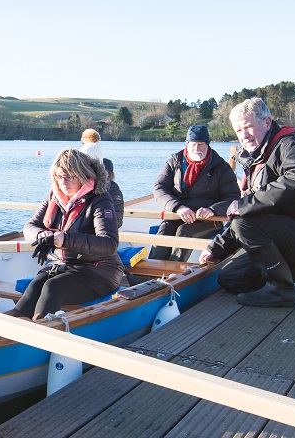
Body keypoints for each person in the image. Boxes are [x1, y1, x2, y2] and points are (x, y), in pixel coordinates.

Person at [199, 98, 295, 308]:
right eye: (238, 130)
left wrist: (244, 205)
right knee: (231, 279)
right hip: (284, 237)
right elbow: (246, 209)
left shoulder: (294, 146)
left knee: (242, 221)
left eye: (248, 127)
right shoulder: (257, 159)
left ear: (267, 122)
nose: (244, 135)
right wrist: (216, 249)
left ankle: (282, 290)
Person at [14, 149, 127, 320]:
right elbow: (29, 227)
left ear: (82, 176)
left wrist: (64, 238)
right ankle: (8, 330)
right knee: (35, 285)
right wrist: (44, 236)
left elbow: (109, 243)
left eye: (69, 177)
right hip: (62, 265)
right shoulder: (55, 195)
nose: (62, 182)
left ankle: (39, 332)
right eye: (59, 177)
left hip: (99, 270)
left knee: (53, 287)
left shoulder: (100, 199)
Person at [149, 124, 240, 262]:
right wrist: (179, 207)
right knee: (165, 228)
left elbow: (233, 197)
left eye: (201, 144)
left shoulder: (221, 167)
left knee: (184, 232)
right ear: (187, 144)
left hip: (209, 221)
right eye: (193, 144)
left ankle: (173, 277)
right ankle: (149, 273)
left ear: (208, 145)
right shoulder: (174, 163)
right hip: (177, 214)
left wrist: (212, 210)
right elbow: (159, 188)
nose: (197, 149)